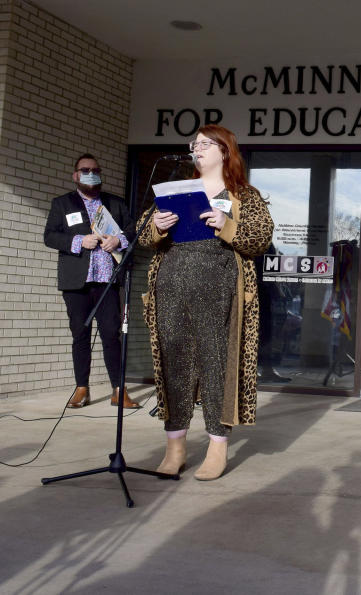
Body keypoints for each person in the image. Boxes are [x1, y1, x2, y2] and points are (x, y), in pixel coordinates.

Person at [140, 124, 274, 481]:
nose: (196, 149)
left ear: (224, 150)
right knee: (174, 365)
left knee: (217, 365)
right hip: (171, 286)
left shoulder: (244, 194)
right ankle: (175, 448)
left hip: (220, 290)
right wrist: (157, 223)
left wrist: (226, 223)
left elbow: (260, 238)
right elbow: (141, 234)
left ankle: (217, 447)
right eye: (193, 144)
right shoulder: (177, 190)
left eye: (204, 143)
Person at [43, 154, 141, 409]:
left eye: (95, 170)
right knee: (80, 334)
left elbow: (133, 231)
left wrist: (118, 240)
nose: (90, 173)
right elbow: (50, 236)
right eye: (85, 170)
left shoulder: (115, 203)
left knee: (111, 335)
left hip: (107, 281)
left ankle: (119, 390)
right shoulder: (62, 204)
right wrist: (78, 241)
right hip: (77, 281)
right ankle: (81, 388)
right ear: (75, 175)